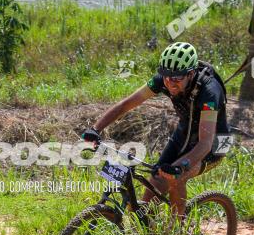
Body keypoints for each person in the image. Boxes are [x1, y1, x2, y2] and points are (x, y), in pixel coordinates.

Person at [82, 42, 231, 217]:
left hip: (217, 142)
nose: (170, 83)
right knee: (151, 190)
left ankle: (177, 234)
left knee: (175, 177)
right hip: (185, 134)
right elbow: (127, 104)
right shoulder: (165, 79)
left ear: (190, 74)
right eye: (167, 77)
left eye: (176, 78)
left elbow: (205, 143)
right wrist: (96, 128)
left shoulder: (209, 92)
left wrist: (181, 167)